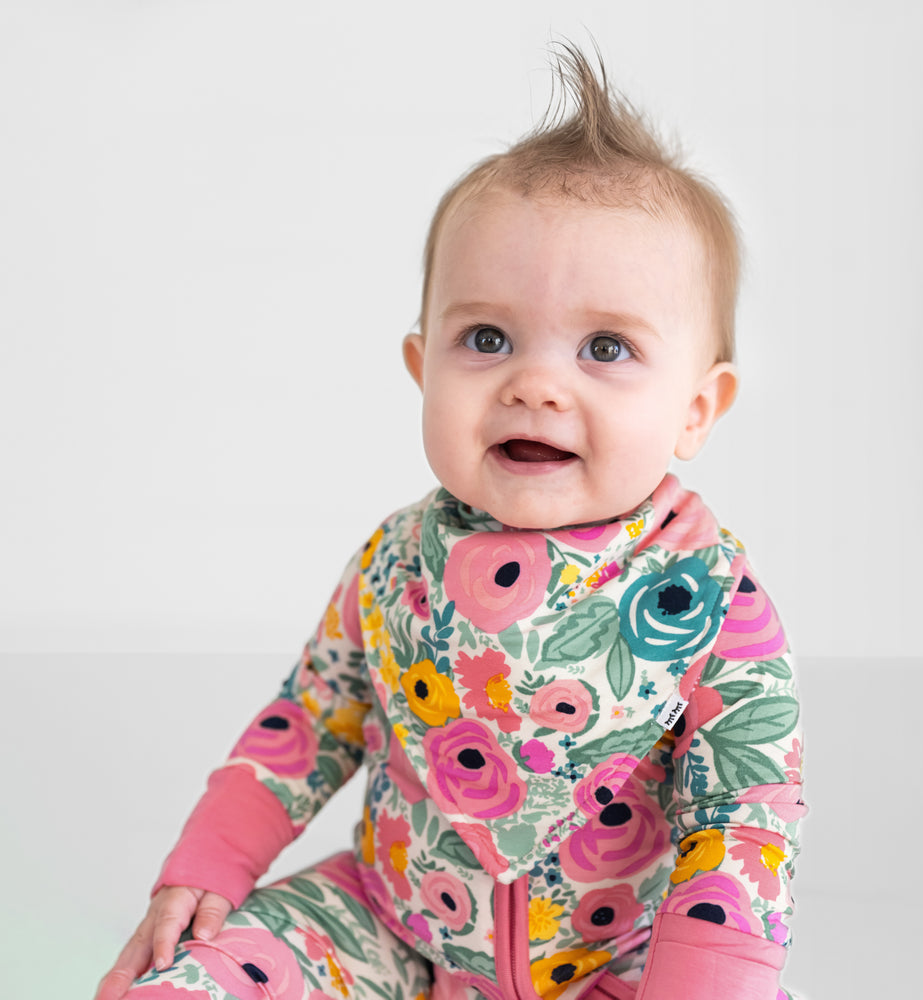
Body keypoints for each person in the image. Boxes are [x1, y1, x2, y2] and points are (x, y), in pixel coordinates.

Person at [96, 43, 806, 1000]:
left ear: (696, 408)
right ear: (421, 365)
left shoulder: (713, 599)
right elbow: (309, 717)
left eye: (607, 347)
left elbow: (744, 810)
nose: (536, 384)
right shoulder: (396, 562)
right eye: (486, 339)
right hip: (392, 924)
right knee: (199, 980)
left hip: (621, 961)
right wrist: (206, 866)